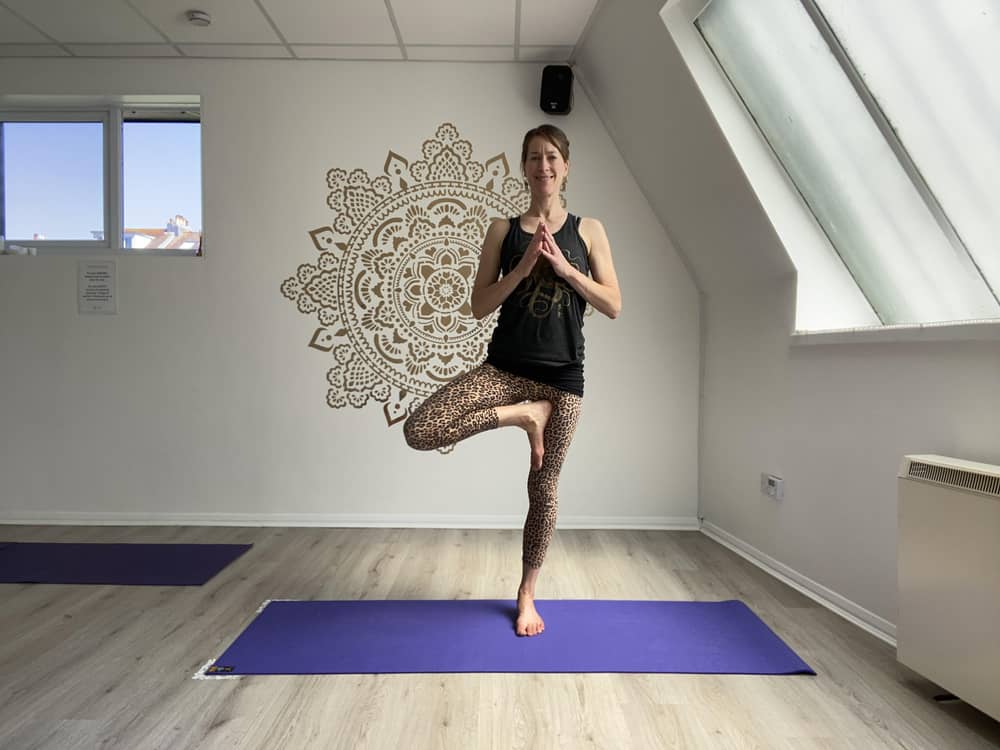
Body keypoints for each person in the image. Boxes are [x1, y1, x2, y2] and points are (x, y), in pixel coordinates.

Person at [403, 124, 622, 637]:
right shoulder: (503, 230)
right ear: (522, 167)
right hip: (504, 371)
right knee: (421, 429)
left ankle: (526, 595)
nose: (542, 166)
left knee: (543, 487)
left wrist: (567, 270)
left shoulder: (589, 230)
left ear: (566, 166)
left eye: (551, 157)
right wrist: (523, 267)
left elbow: (613, 305)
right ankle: (523, 417)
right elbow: (479, 305)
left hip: (563, 381)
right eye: (533, 157)